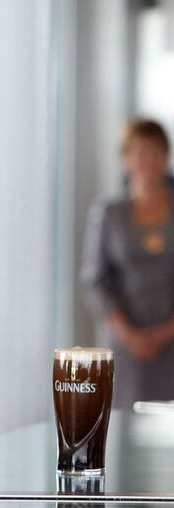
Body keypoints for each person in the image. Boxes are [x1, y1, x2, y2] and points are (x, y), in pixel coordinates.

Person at [82, 119, 174, 408]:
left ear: (166, 156)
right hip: (125, 344)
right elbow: (95, 281)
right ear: (126, 158)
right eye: (139, 152)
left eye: (155, 151)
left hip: (170, 339)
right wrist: (129, 334)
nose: (148, 160)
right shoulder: (109, 213)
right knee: (122, 418)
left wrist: (166, 332)